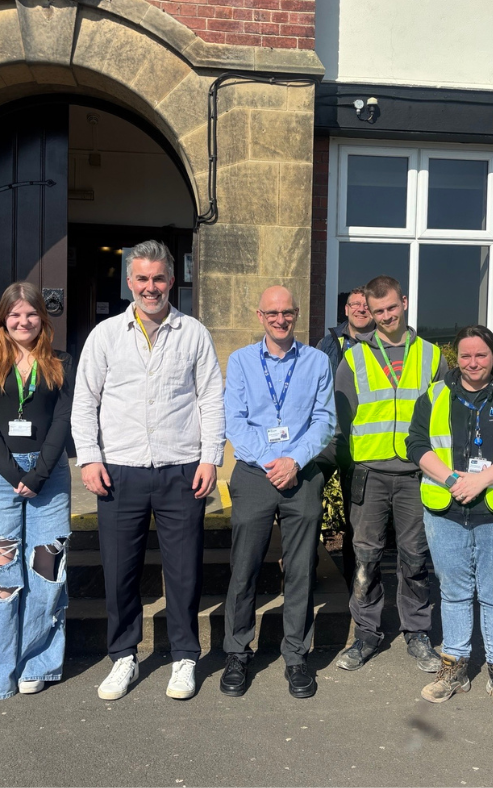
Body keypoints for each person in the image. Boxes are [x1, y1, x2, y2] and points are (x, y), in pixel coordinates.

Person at [71, 240, 225, 702]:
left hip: (181, 468)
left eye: (158, 278)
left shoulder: (193, 332)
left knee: (183, 571)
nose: (150, 287)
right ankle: (123, 656)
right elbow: (85, 401)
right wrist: (90, 456)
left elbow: (210, 399)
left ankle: (183, 656)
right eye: (141, 278)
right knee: (119, 570)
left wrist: (210, 457)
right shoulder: (105, 335)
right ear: (129, 281)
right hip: (120, 470)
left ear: (171, 280)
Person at [407, 325, 493, 711]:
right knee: (453, 593)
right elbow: (415, 444)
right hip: (446, 510)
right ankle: (455, 667)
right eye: (465, 356)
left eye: (480, 355)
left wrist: (481, 480)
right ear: (456, 358)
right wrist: (452, 480)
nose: (472, 363)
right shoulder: (435, 396)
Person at [220, 286, 335, 699]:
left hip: (300, 472)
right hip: (254, 471)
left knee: (301, 568)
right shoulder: (241, 361)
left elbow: (324, 420)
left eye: (288, 312)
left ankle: (296, 656)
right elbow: (234, 420)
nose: (281, 319)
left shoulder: (317, 361)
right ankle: (237, 651)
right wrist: (272, 459)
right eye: (273, 312)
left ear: (297, 314)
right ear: (260, 315)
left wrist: (294, 461)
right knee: (244, 566)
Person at [334, 275, 448, 674]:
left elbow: (443, 419)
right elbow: (341, 421)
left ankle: (416, 633)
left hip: (416, 474)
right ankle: (365, 633)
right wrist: (351, 468)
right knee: (365, 558)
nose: (384, 316)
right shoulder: (353, 357)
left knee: (415, 557)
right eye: (376, 310)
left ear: (403, 302)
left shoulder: (433, 356)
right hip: (369, 473)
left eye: (390, 308)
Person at [0, 282, 74, 700]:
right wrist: (12, 471)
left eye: (30, 314)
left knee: (46, 572)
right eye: (14, 315)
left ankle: (38, 662)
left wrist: (37, 475)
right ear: (3, 320)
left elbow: (62, 422)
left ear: (42, 318)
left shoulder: (62, 361)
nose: (23, 321)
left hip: (49, 478)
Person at [315, 287, 374, 588]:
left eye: (366, 305)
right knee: (307, 492)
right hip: (329, 436)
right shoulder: (328, 342)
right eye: (355, 304)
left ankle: (357, 583)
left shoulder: (383, 345)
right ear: (346, 310)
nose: (361, 309)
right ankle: (305, 565)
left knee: (358, 517)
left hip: (363, 441)